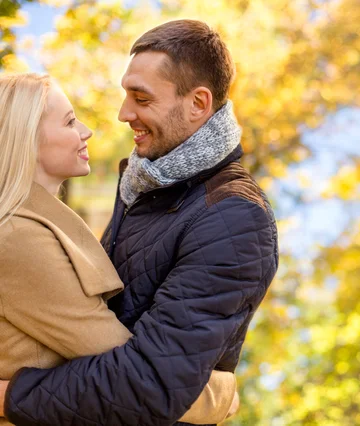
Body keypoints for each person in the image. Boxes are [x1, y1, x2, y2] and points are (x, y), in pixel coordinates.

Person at [1, 19, 278, 426]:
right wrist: (218, 397)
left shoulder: (231, 217)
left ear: (198, 104)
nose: (121, 114)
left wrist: (9, 395)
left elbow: (149, 384)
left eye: (141, 99)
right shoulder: (144, 184)